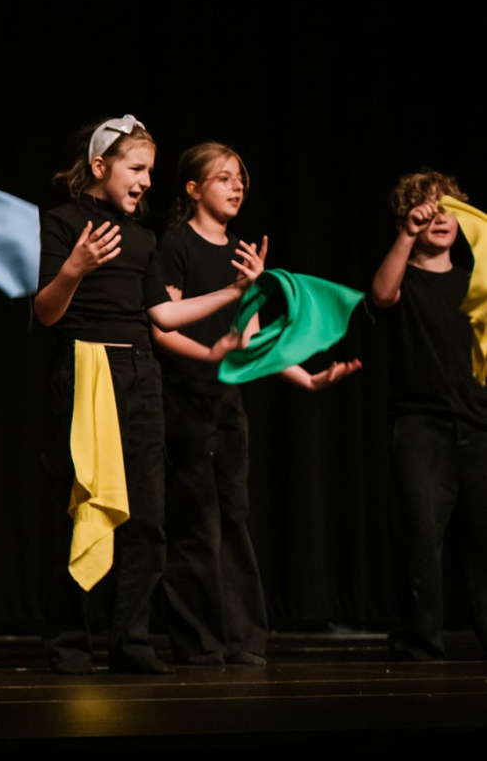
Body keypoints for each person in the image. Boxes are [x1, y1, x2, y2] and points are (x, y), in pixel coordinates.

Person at [33, 116, 263, 675]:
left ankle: (131, 641)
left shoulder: (142, 236)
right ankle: (69, 642)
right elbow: (46, 312)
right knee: (79, 505)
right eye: (136, 168)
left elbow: (163, 312)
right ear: (100, 166)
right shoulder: (62, 223)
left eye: (150, 171)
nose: (145, 181)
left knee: (147, 515)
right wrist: (75, 267)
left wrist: (234, 292)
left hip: (140, 373)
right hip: (85, 366)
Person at [152, 142, 358, 666]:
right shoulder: (175, 244)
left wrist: (306, 378)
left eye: (240, 178)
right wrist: (208, 354)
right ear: (193, 189)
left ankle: (243, 639)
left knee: (232, 516)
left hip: (227, 405)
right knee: (195, 523)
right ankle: (200, 642)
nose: (237, 185)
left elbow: (252, 337)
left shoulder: (242, 250)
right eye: (224, 177)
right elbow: (162, 326)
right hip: (183, 402)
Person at [368, 170, 487, 660]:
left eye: (447, 209)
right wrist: (406, 236)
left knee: (483, 541)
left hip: (477, 426)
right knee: (421, 540)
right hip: (421, 427)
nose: (439, 218)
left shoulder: (473, 285)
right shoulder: (404, 277)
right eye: (427, 209)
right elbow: (381, 295)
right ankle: (420, 641)